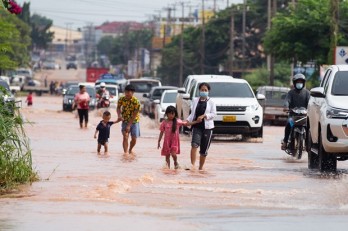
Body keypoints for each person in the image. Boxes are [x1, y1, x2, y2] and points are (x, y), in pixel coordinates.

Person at [185, 82, 216, 171]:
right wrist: (187, 120)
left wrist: (204, 116)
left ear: (208, 91)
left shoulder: (211, 102)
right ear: (199, 90)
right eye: (202, 90)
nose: (203, 91)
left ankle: (201, 168)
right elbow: (192, 114)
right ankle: (192, 166)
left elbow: (214, 114)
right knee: (194, 145)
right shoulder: (195, 100)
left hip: (208, 128)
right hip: (197, 127)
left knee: (203, 151)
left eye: (205, 90)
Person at [281, 73, 310, 150]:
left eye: (301, 82)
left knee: (309, 127)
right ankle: (285, 141)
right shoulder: (291, 93)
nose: (299, 84)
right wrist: (286, 107)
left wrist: (311, 109)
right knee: (288, 124)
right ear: (294, 83)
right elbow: (287, 101)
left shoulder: (307, 93)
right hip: (292, 116)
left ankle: (308, 144)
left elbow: (310, 103)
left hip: (304, 117)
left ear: (303, 83)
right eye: (298, 82)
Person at [117, 84, 141, 155]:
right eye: (126, 92)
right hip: (125, 120)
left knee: (134, 139)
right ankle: (126, 153)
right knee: (125, 136)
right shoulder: (121, 99)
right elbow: (118, 108)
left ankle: (130, 149)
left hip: (134, 121)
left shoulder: (136, 101)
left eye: (128, 92)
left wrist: (129, 125)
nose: (127, 94)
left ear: (132, 93)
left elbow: (135, 114)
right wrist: (119, 115)